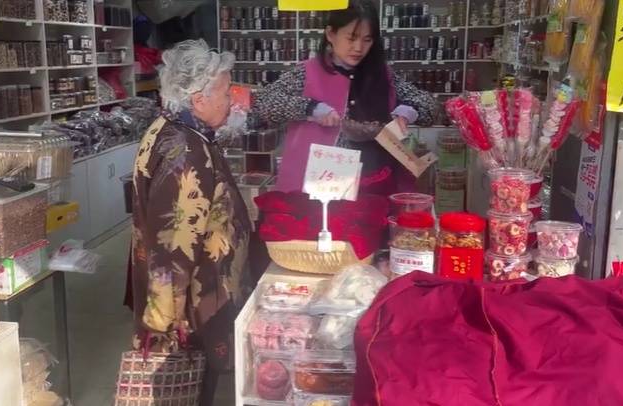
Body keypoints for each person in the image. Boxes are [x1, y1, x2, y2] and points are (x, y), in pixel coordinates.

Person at [130, 39, 251, 406]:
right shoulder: (185, 153)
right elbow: (173, 249)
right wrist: (162, 324)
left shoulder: (170, 127)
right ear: (199, 100)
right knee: (191, 386)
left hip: (194, 299)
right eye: (226, 92)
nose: (232, 100)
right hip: (194, 309)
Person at [254, 0, 436, 196]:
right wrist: (310, 108)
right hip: (322, 184)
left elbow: (427, 104)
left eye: (367, 40)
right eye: (351, 38)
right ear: (331, 34)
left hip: (376, 183)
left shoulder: (382, 74)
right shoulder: (307, 72)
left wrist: (406, 112)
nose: (359, 48)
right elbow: (264, 102)